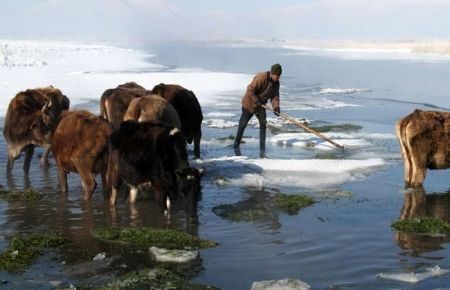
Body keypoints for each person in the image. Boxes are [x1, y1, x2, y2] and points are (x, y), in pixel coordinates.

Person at [233, 63, 282, 158]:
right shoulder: (261, 77)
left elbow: (275, 97)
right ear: (272, 73)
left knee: (263, 124)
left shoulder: (276, 84)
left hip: (261, 106)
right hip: (249, 103)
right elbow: (250, 89)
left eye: (279, 76)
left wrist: (276, 107)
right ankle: (236, 145)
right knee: (242, 124)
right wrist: (257, 101)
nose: (278, 78)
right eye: (276, 75)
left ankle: (262, 151)